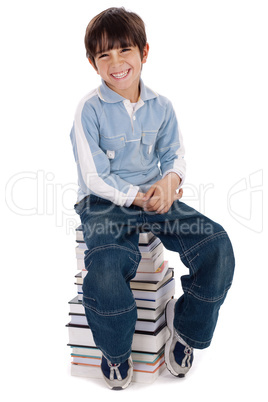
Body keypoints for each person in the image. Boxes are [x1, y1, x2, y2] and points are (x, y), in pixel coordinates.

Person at [70, 7, 235, 390]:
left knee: (218, 246)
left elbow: (174, 154)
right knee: (107, 271)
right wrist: (138, 197)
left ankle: (187, 330)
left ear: (144, 52)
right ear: (93, 63)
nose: (116, 63)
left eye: (124, 51)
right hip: (104, 204)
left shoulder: (162, 107)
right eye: (104, 55)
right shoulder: (88, 110)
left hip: (155, 199)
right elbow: (94, 176)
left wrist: (170, 180)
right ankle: (115, 352)